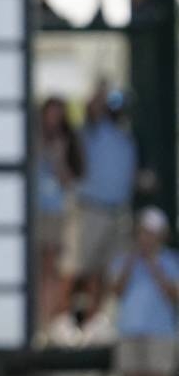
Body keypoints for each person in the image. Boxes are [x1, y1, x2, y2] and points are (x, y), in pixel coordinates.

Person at [108, 206, 179, 376]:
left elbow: (174, 294)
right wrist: (132, 261)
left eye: (150, 233)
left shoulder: (171, 260)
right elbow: (116, 291)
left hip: (160, 334)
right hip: (129, 333)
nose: (145, 237)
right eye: (142, 232)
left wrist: (154, 265)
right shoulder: (124, 260)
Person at [74, 83, 137, 341]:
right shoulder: (93, 132)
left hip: (118, 214)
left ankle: (98, 322)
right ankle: (74, 322)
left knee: (111, 271)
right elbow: (92, 109)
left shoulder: (127, 138)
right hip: (93, 209)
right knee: (84, 268)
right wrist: (103, 85)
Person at [34, 96, 85, 345]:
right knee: (40, 267)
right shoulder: (31, 139)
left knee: (54, 268)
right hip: (35, 212)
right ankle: (41, 319)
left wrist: (58, 158)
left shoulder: (67, 143)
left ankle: (49, 319)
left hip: (56, 212)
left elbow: (69, 180)